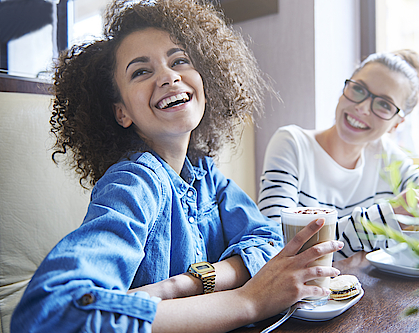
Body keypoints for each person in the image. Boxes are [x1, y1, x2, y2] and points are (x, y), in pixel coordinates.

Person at [10, 1, 343, 332]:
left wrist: (185, 285)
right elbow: (51, 314)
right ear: (121, 112)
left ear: (205, 84)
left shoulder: (204, 174)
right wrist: (248, 302)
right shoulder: (133, 182)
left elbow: (270, 243)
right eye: (141, 71)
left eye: (179, 60)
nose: (168, 76)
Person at [258, 50, 419, 260]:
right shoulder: (292, 143)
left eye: (384, 104)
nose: (362, 108)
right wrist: (380, 221)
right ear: (345, 89)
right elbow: (275, 247)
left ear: (396, 123)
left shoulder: (386, 156)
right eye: (359, 89)